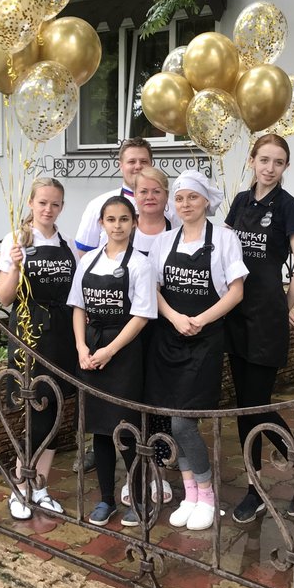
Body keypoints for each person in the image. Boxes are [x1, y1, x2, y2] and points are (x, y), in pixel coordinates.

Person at [224, 133, 294, 523]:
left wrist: (282, 308)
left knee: (258, 405)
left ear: (286, 167)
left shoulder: (287, 205)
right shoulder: (239, 202)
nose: (269, 168)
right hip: (235, 314)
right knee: (243, 408)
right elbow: (224, 255)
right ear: (251, 161)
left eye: (278, 162)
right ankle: (256, 489)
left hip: (265, 321)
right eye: (264, 160)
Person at [146, 170, 248, 531]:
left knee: (183, 422)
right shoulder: (164, 241)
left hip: (205, 341)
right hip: (168, 338)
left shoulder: (224, 239)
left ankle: (207, 494)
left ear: (206, 200)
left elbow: (236, 291)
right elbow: (153, 288)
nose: (185, 204)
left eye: (192, 197)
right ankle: (190, 495)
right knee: (173, 420)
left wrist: (200, 320)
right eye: (179, 198)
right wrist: (175, 317)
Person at [68, 196, 157, 527]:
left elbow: (141, 316)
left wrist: (111, 350)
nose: (117, 225)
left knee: (127, 429)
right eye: (111, 219)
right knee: (100, 431)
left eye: (123, 219)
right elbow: (78, 306)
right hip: (91, 351)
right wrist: (81, 347)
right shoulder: (88, 260)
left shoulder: (141, 265)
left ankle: (139, 499)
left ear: (134, 222)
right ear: (101, 224)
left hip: (124, 352)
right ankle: (106, 499)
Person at [0, 178, 77, 520]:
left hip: (63, 334)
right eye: (43, 202)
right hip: (31, 334)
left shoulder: (66, 242)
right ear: (31, 203)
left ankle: (40, 488)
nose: (48, 209)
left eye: (55, 204)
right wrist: (15, 265)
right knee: (34, 411)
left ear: (61, 207)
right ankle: (20, 486)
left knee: (54, 411)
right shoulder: (15, 240)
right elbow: (4, 297)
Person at [120, 166, 173, 507]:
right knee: (129, 399)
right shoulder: (124, 231)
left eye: (156, 191)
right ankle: (133, 473)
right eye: (144, 191)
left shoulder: (178, 231)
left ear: (166, 196)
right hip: (129, 328)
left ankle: (159, 472)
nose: (150, 197)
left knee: (159, 403)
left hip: (166, 329)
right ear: (134, 195)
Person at [73, 137, 178, 254]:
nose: (138, 166)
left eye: (143, 161)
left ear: (151, 164)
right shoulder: (97, 205)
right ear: (121, 166)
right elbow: (83, 254)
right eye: (131, 161)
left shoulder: (173, 208)